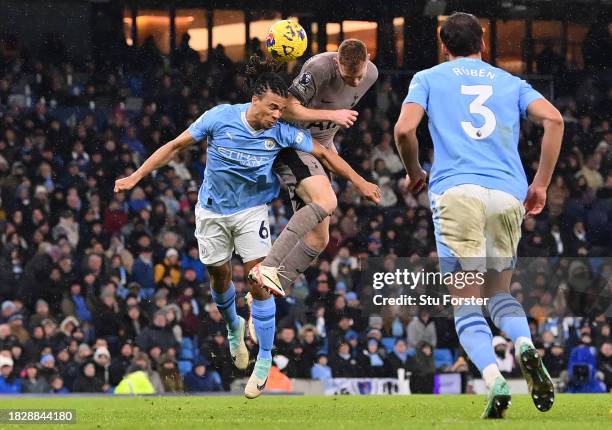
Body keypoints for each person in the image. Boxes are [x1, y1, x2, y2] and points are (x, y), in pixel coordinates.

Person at [114, 54, 380, 399]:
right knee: (219, 277)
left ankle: (264, 361)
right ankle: (233, 328)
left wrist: (359, 183)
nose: (275, 116)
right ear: (255, 100)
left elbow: (326, 155)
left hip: (252, 212)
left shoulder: (283, 131)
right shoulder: (220, 117)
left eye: (281, 111)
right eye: (271, 108)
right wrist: (136, 175)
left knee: (259, 284)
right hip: (211, 212)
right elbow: (175, 146)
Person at [394, 12, 564, 418]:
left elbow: (404, 130)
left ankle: (494, 379)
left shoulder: (429, 78)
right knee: (500, 294)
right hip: (507, 194)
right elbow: (554, 120)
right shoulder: (511, 83)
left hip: (456, 193)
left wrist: (415, 172)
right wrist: (539, 184)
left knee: (466, 304)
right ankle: (524, 345)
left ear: (443, 46)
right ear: (483, 43)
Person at [249, 38, 379, 296]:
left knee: (320, 239)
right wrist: (332, 115)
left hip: (321, 146)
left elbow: (326, 140)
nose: (354, 82)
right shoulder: (319, 68)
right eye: (347, 75)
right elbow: (286, 110)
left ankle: (262, 295)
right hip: (292, 142)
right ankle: (268, 267)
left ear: (368, 62)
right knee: (326, 199)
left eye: (358, 76)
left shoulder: (372, 74)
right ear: (336, 62)